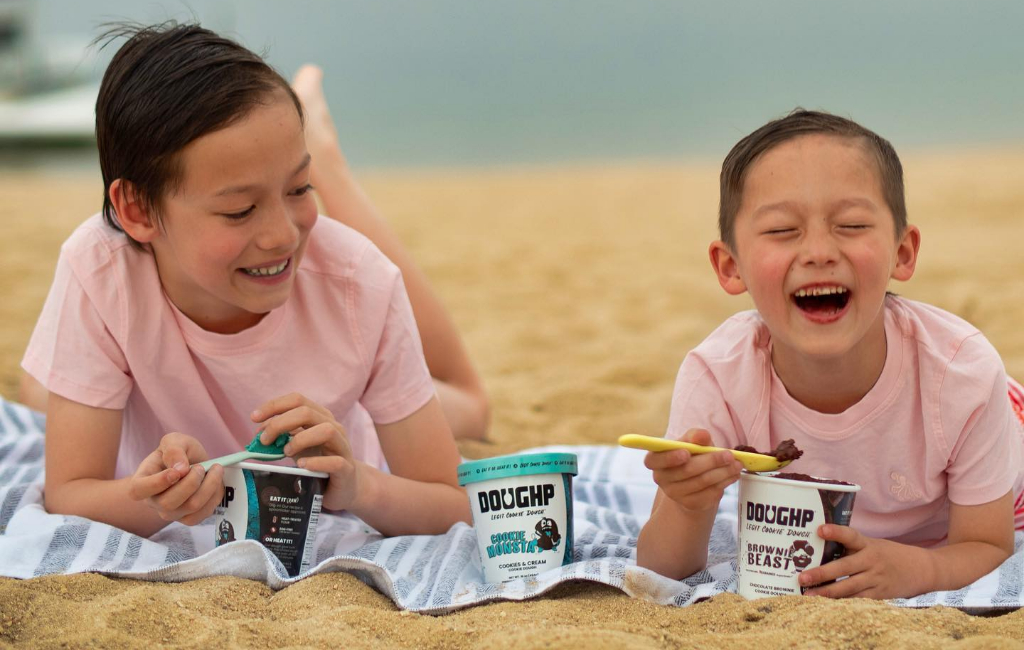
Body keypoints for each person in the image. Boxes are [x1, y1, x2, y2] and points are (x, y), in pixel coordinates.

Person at [19, 22, 472, 538]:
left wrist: (359, 486)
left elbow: (452, 503)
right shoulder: (100, 270)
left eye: (301, 187)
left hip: (360, 390)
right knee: (37, 388)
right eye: (240, 210)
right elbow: (70, 492)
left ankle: (329, 159)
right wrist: (157, 499)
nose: (282, 236)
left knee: (471, 406)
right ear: (137, 209)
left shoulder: (358, 281)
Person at [636, 109, 1024, 600]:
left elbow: (987, 545)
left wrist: (918, 569)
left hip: (1008, 428)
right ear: (730, 266)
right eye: (781, 230)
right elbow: (660, 567)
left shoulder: (962, 376)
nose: (819, 250)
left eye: (852, 224)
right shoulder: (718, 375)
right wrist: (687, 506)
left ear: (903, 253)